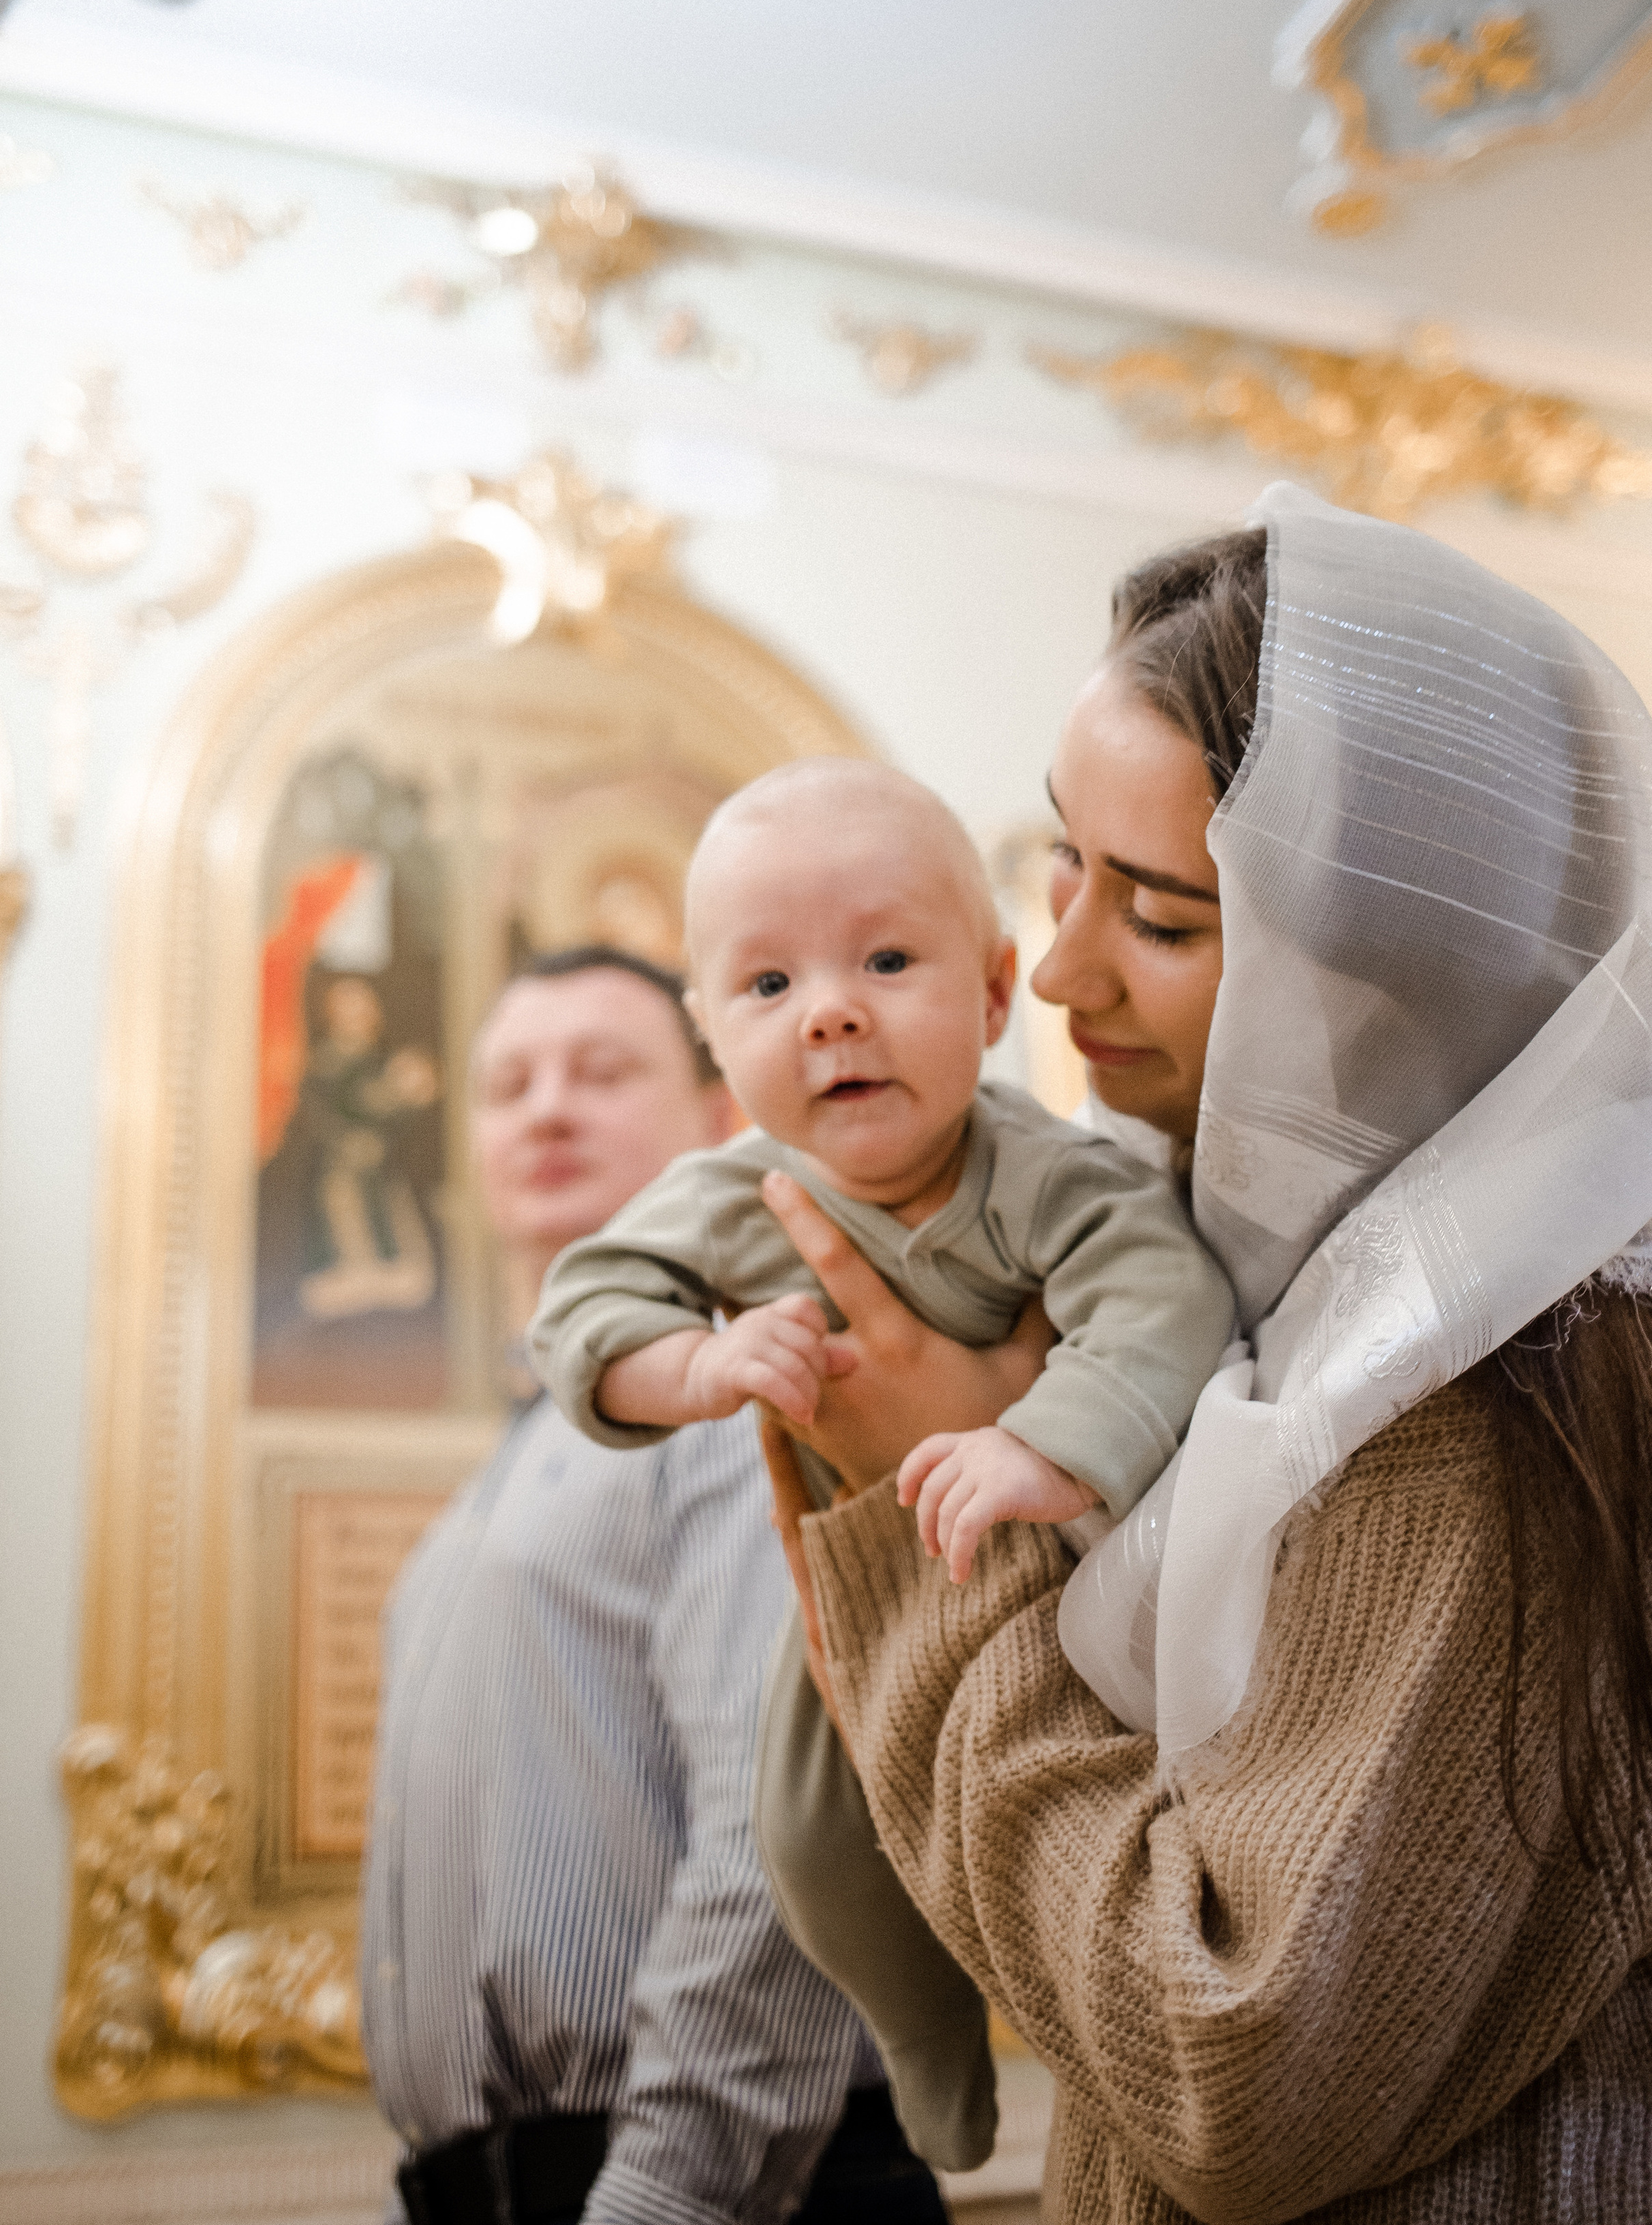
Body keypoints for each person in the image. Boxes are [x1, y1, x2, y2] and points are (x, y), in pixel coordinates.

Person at [762, 486, 1652, 2221]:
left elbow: (1229, 2065)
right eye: (1062, 864)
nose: (1057, 968)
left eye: (1163, 919)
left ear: (1385, 985)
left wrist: (953, 1554)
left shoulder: (1470, 1416)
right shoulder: (1251, 1313)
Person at [525, 764, 1234, 2166]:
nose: (832, 1011)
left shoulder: (1044, 1175)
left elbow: (1163, 1303)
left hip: (1082, 1566)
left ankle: (1081, 2037)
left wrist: (1038, 1446)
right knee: (801, 1837)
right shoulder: (733, 1195)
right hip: (865, 1582)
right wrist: (704, 1369)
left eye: (886, 960)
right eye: (768, 984)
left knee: (1086, 1822)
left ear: (988, 995)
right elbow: (582, 1318)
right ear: (714, 1041)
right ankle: (925, 2049)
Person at [360, 946, 951, 2225]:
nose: (547, 1107)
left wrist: (658, 2202)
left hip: (722, 2187)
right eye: (508, 1082)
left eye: (602, 1069)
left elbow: (778, 1852)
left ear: (719, 1116)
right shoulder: (512, 1467)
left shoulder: (760, 1391)